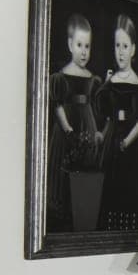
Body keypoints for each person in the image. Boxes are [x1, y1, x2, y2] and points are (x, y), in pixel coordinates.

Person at [94, 14, 138, 231]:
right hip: (113, 144)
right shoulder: (111, 82)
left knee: (130, 192)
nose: (120, 51)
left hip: (131, 147)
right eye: (117, 45)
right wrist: (107, 82)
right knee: (112, 192)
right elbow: (104, 110)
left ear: (133, 49)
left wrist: (127, 142)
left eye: (125, 46)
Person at [46, 13, 103, 231]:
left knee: (85, 178)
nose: (83, 51)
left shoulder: (91, 77)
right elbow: (58, 105)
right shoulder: (62, 77)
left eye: (87, 46)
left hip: (86, 125)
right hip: (68, 129)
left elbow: (93, 107)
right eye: (79, 45)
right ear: (70, 44)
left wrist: (95, 131)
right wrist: (67, 128)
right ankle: (64, 216)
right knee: (65, 171)